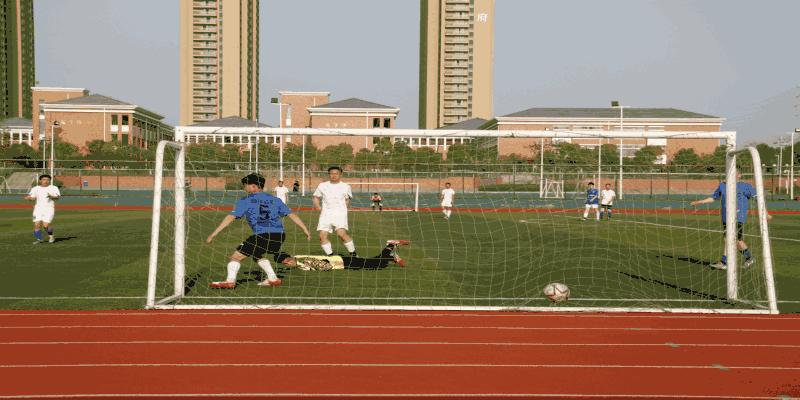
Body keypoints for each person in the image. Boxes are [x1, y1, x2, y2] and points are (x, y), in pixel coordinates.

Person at [206, 173, 311, 289]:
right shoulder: (275, 200)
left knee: (235, 257)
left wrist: (214, 233)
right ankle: (273, 278)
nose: (244, 188)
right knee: (256, 254)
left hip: (262, 236)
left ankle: (230, 281)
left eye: (245, 185)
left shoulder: (245, 200)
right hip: (279, 236)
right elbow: (292, 215)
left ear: (254, 186)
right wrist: (305, 229)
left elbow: (230, 217)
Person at [690, 171, 757, 269]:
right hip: (726, 216)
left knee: (730, 238)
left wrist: (765, 212)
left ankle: (724, 262)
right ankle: (749, 258)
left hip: (738, 216)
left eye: (735, 172)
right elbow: (714, 198)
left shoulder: (745, 186)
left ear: (739, 175)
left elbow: (757, 197)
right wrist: (700, 202)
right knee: (736, 240)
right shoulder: (722, 185)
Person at [313, 166, 357, 256]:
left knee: (341, 234)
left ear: (340, 174)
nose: (334, 175)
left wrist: (344, 209)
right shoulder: (322, 185)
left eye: (336, 173)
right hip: (326, 214)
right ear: (329, 174)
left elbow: (347, 199)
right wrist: (317, 206)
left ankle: (353, 254)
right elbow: (316, 197)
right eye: (331, 173)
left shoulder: (346, 186)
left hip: (340, 213)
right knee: (322, 236)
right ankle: (331, 256)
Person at [282, 240, 410, 270]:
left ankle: (391, 252)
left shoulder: (301, 260)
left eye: (287, 262)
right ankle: (391, 250)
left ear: (289, 259)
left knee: (374, 264)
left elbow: (321, 264)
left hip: (341, 261)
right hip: (341, 264)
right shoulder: (299, 262)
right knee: (372, 263)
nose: (289, 264)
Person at [24, 174, 61, 244]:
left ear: (50, 181)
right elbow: (33, 197)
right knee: (37, 224)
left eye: (48, 180)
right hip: (38, 209)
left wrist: (51, 196)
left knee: (46, 225)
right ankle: (39, 239)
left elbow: (57, 197)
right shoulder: (35, 188)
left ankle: (51, 236)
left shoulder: (53, 188)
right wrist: (29, 198)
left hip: (49, 209)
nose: (46, 181)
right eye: (44, 179)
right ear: (40, 180)